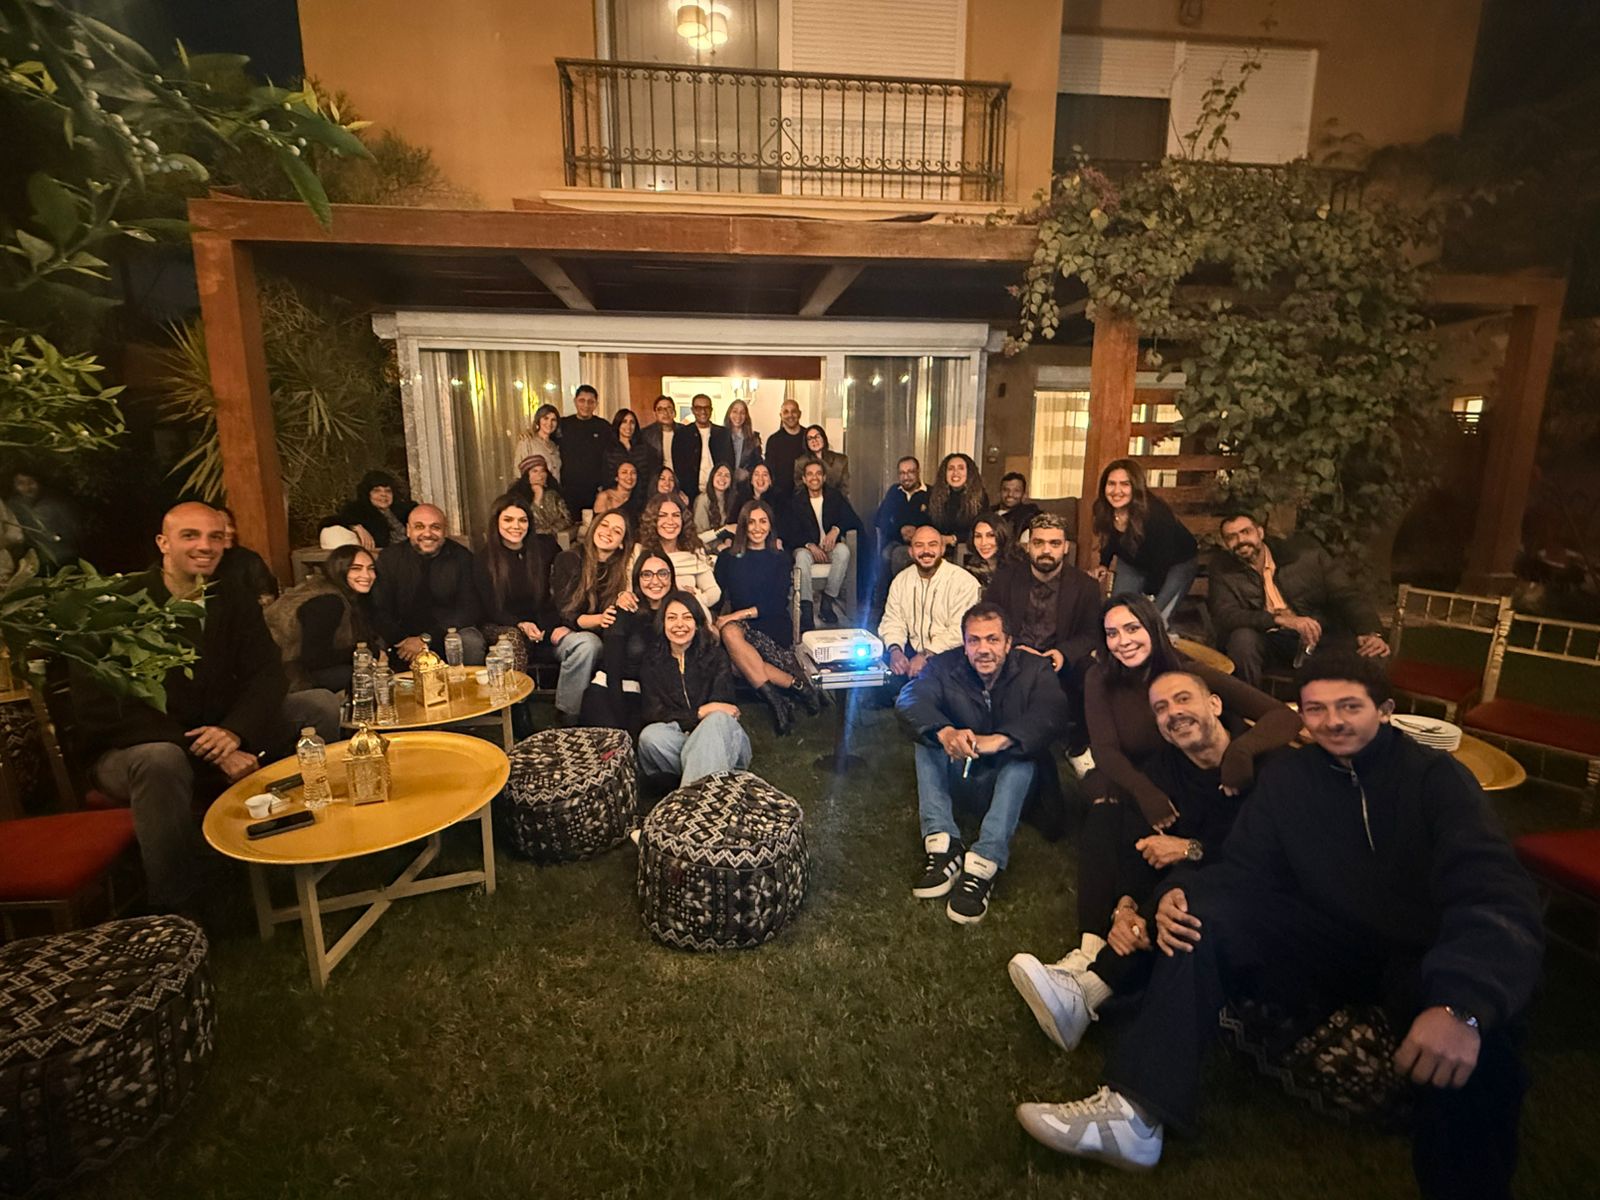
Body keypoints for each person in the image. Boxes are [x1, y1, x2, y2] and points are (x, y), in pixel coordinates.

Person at [1017, 654, 1543, 1200]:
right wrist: (1181, 893)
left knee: (1486, 1054)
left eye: (1349, 707)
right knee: (1198, 920)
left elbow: (1493, 891)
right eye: (1316, 709)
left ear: (1385, 710)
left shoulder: (1435, 780)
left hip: (1421, 950)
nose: (1332, 722)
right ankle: (1136, 1114)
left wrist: (1462, 1004)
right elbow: (1244, 865)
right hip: (1326, 938)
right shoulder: (1293, 776)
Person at [1008, 665, 1294, 1051]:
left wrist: (1190, 849)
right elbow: (1140, 844)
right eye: (1161, 708)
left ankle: (1088, 990)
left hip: (1248, 886)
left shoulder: (1266, 765)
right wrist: (1125, 908)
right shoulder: (1163, 769)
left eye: (1183, 699)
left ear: (1215, 704)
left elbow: (1267, 855)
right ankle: (1092, 960)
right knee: (1116, 829)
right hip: (1182, 877)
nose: (1173, 713)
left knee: (1180, 893)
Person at [70, 503, 294, 913]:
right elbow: (102, 707)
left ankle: (293, 852)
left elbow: (268, 674)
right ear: (163, 543)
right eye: (190, 535)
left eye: (215, 537)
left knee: (315, 707)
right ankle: (177, 911)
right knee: (161, 760)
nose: (205, 546)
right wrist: (209, 747)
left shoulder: (233, 598)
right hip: (135, 749)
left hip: (221, 733)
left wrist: (234, 731)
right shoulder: (116, 606)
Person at [897, 602, 1071, 924]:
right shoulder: (945, 666)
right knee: (928, 738)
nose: (983, 649)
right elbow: (910, 698)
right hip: (964, 772)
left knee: (1022, 756)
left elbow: (1052, 711)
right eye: (974, 640)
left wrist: (1001, 739)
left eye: (992, 639)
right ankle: (942, 844)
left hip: (1015, 785)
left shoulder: (1035, 669)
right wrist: (946, 732)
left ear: (1008, 643)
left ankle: (984, 862)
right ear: (964, 644)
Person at [1209, 511, 1392, 686]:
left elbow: (1347, 595)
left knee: (1373, 652)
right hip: (1268, 637)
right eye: (1232, 537)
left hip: (1317, 634)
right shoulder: (1223, 569)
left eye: (1246, 532)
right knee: (1242, 640)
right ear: (1226, 544)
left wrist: (1371, 632)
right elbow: (1226, 614)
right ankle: (1250, 705)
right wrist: (1279, 620)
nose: (1241, 541)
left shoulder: (1304, 557)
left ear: (1260, 533)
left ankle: (1358, 707)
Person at [983, 512, 1102, 763]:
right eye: (1039, 543)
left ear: (1066, 547)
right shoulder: (1005, 579)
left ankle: (1079, 745)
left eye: (1054, 543)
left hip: (1060, 659)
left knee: (1092, 672)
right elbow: (989, 622)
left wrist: (1064, 653)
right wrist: (1016, 647)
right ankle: (1002, 738)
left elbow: (1091, 633)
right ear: (1028, 546)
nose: (1046, 550)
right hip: (1014, 655)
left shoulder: (1085, 586)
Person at [473, 494, 593, 724]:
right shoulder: (483, 559)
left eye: (522, 520)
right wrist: (520, 624)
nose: (516, 526)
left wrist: (561, 624)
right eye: (508, 520)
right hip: (503, 625)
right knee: (512, 639)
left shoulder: (545, 548)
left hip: (546, 627)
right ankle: (517, 710)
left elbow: (562, 590)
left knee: (586, 645)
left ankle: (568, 715)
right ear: (496, 522)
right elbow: (490, 607)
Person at [714, 500, 821, 735]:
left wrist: (733, 616)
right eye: (751, 522)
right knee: (731, 636)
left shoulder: (780, 558)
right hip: (741, 629)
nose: (757, 528)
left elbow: (775, 603)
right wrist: (711, 621)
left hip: (772, 623)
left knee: (737, 658)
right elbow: (717, 596)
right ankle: (785, 695)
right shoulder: (727, 559)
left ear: (770, 525)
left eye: (763, 521)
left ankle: (787, 693)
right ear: (743, 525)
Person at [638, 592, 753, 786]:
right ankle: (707, 779)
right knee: (650, 736)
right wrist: (699, 712)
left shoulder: (716, 656)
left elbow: (724, 710)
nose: (679, 625)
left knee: (716, 721)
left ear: (697, 623)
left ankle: (692, 800)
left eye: (687, 617)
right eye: (672, 618)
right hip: (681, 739)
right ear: (662, 623)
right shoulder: (652, 662)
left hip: (724, 741)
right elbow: (655, 713)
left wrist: (700, 717)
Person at [370, 503, 485, 666]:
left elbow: (469, 608)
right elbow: (379, 607)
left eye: (435, 527)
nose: (427, 533)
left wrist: (426, 639)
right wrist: (402, 640)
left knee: (471, 640)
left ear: (445, 531)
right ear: (408, 530)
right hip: (401, 639)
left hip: (446, 633)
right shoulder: (389, 558)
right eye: (419, 527)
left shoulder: (462, 557)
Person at [1093, 458, 1199, 625]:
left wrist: (1149, 594)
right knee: (1119, 611)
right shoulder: (1102, 508)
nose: (1116, 491)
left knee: (1154, 619)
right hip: (1132, 561)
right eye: (1111, 484)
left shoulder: (1156, 515)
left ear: (1136, 487)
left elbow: (1162, 559)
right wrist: (1104, 563)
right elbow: (1109, 538)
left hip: (1174, 564)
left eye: (1125, 484)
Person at [550, 509, 632, 718]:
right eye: (604, 525)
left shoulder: (623, 569)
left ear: (622, 543)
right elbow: (566, 612)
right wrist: (600, 619)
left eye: (617, 531)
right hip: (569, 634)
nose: (608, 532)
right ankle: (569, 715)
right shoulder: (569, 559)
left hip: (607, 635)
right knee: (588, 644)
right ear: (594, 527)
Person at [265, 544, 380, 693]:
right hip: (289, 674)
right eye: (356, 568)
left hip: (304, 667)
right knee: (362, 676)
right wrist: (363, 652)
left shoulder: (345, 594)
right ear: (339, 569)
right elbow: (314, 658)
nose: (367, 575)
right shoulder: (328, 602)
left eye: (371, 568)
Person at [584, 550, 674, 731]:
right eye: (647, 574)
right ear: (637, 579)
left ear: (671, 577)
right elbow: (612, 675)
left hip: (653, 697)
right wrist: (622, 723)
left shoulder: (677, 613)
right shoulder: (623, 613)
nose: (655, 581)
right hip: (612, 692)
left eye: (662, 573)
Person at [880, 525, 981, 682]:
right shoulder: (901, 580)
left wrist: (926, 655)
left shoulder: (964, 582)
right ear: (911, 551)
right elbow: (893, 620)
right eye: (919, 545)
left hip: (950, 657)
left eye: (932, 545)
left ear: (942, 549)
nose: (926, 551)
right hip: (911, 654)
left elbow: (960, 630)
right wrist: (895, 650)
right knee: (871, 684)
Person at [785, 458, 861, 630]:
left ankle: (827, 601)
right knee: (802, 558)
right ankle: (806, 609)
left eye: (818, 474)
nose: (814, 477)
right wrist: (809, 545)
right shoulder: (795, 500)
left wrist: (836, 529)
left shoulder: (834, 496)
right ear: (804, 479)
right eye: (810, 474)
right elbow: (789, 531)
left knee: (843, 551)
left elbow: (852, 519)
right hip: (805, 548)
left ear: (824, 477)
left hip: (829, 548)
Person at [635, 492, 721, 616]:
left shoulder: (695, 551)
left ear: (683, 520)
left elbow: (714, 592)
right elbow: (630, 592)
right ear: (653, 520)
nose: (670, 521)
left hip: (688, 617)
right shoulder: (640, 551)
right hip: (649, 617)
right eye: (662, 516)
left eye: (676, 515)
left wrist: (696, 598)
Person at [557, 384, 614, 515]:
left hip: (595, 491)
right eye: (582, 400)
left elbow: (611, 457)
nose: (586, 405)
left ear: (596, 404)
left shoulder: (604, 427)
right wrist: (530, 432)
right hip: (567, 490)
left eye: (590, 402)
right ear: (575, 401)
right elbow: (544, 437)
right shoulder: (563, 425)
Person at [8, 469, 81, 571]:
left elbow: (73, 532)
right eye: (21, 483)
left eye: (31, 483)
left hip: (64, 557)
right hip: (31, 562)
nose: (27, 488)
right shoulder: (12, 507)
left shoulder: (56, 503)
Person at [873, 455, 929, 585]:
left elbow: (936, 523)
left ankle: (902, 593)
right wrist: (900, 530)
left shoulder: (930, 493)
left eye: (910, 472)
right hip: (896, 540)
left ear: (918, 472)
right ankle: (884, 597)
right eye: (902, 473)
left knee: (898, 555)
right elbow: (880, 520)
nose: (906, 477)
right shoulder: (894, 492)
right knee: (886, 555)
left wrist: (917, 532)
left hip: (923, 543)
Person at [506, 453, 575, 554]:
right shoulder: (516, 497)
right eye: (535, 471)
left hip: (551, 543)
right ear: (526, 475)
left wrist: (549, 531)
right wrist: (537, 500)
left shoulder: (553, 495)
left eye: (543, 471)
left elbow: (567, 519)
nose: (540, 475)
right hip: (526, 545)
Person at [214, 505, 279, 605]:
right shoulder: (197, 565)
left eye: (230, 525)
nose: (230, 531)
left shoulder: (248, 559)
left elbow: (268, 597)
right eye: (221, 526)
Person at [927, 452, 988, 555]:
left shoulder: (980, 498)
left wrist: (953, 538)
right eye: (951, 469)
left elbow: (980, 530)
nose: (955, 473)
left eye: (961, 468)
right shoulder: (934, 496)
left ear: (969, 472)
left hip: (967, 552)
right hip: (937, 549)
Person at [338, 470, 415, 550]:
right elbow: (336, 520)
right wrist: (355, 526)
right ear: (368, 494)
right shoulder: (358, 512)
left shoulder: (405, 510)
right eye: (377, 491)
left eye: (388, 491)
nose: (383, 494)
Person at [681, 392, 733, 500]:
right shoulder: (683, 434)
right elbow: (679, 466)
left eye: (706, 408)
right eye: (698, 408)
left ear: (711, 410)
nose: (703, 411)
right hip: (690, 493)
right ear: (692, 410)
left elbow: (729, 463)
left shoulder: (723, 434)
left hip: (719, 491)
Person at [763, 399, 808, 509]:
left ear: (799, 414)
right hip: (781, 499)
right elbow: (770, 471)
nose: (790, 415)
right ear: (781, 416)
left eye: (793, 411)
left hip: (807, 496)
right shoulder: (773, 441)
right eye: (786, 412)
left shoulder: (808, 437)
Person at [513, 403, 563, 488]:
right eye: (545, 418)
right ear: (538, 420)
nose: (549, 423)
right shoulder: (527, 442)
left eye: (553, 420)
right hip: (533, 492)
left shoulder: (554, 445)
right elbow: (518, 473)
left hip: (553, 493)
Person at [640, 394, 683, 490]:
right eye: (660, 409)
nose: (665, 413)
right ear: (655, 414)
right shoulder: (645, 435)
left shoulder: (685, 432)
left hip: (680, 483)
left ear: (674, 412)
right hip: (655, 484)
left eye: (668, 408)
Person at [693, 463, 739, 553]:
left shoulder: (732, 500)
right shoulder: (703, 500)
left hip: (725, 548)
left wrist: (728, 540)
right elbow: (698, 537)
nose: (722, 478)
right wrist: (724, 530)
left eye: (727, 476)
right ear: (712, 477)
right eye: (719, 474)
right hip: (704, 550)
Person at [792, 424, 849, 496]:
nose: (814, 441)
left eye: (817, 437)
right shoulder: (800, 462)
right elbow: (800, 489)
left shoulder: (841, 460)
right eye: (810, 438)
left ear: (824, 438)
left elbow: (846, 488)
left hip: (837, 500)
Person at [964, 511, 1016, 590]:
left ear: (1002, 535)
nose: (983, 543)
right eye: (978, 536)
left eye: (991, 535)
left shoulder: (1017, 569)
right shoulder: (970, 571)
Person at [604, 408, 649, 491]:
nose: (628, 426)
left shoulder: (644, 448)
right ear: (618, 424)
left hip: (641, 494)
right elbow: (606, 477)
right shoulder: (609, 449)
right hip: (616, 494)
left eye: (632, 422)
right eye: (624, 422)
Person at [994, 472, 1041, 544]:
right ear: (999, 492)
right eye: (1006, 490)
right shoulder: (987, 512)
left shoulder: (1029, 514)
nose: (1010, 494)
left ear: (1024, 495)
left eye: (1016, 491)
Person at [724, 398, 763, 486]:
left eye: (742, 413)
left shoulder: (753, 439)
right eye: (735, 411)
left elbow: (759, 464)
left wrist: (747, 473)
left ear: (746, 416)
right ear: (729, 414)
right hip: (724, 484)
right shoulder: (720, 436)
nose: (738, 416)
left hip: (745, 485)